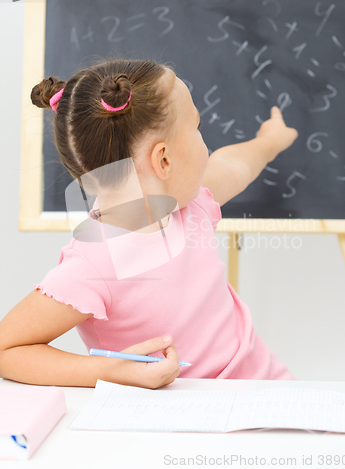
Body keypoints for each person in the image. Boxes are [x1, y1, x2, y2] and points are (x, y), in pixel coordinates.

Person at [0, 58, 298, 389]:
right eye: (197, 128)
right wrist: (111, 372)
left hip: (266, 388)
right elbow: (7, 349)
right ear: (164, 160)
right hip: (177, 424)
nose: (206, 146)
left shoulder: (189, 203)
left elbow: (231, 164)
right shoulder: (93, 264)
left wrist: (271, 141)